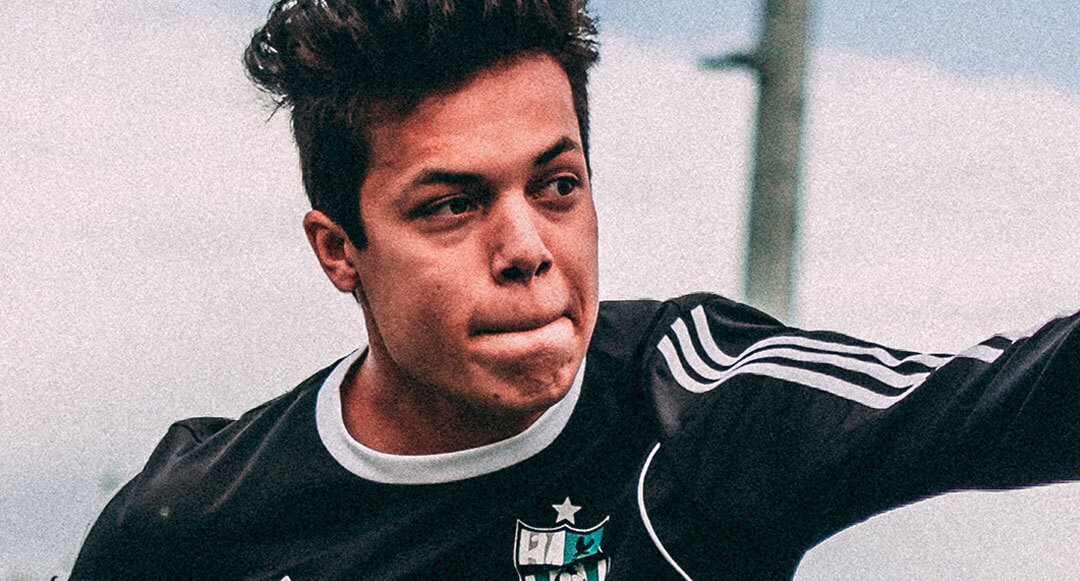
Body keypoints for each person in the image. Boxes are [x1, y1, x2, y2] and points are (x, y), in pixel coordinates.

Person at [71, 0, 1080, 579]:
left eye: (557, 186)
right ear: (340, 250)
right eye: (452, 205)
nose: (528, 248)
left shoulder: (696, 406)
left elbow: (1020, 396)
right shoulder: (188, 526)